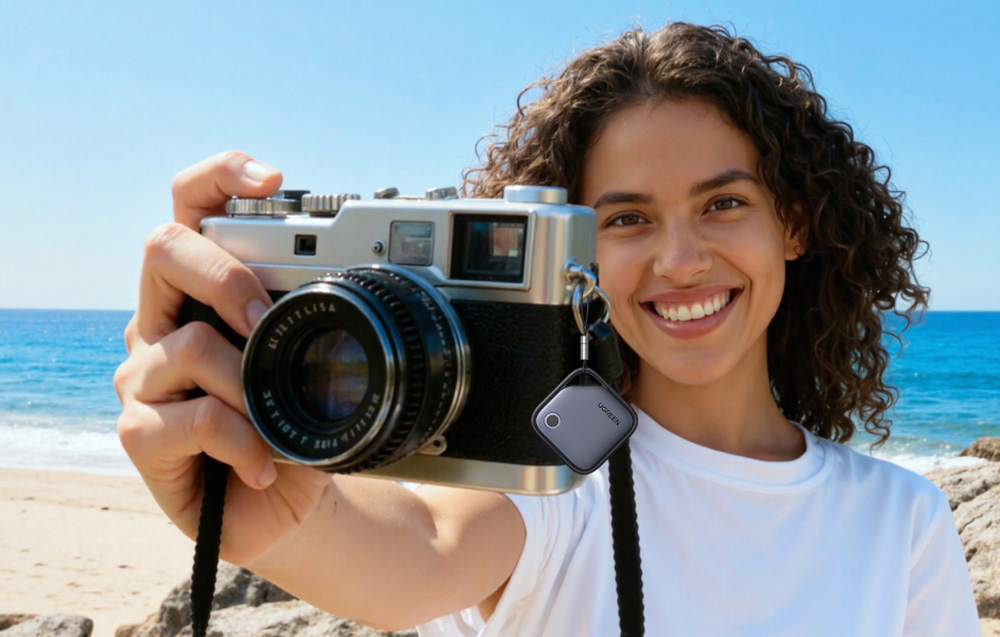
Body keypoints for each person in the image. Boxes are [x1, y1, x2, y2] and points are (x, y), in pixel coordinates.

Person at [114, 22, 981, 635]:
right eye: (627, 219)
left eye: (724, 203)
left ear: (793, 224)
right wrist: (278, 517)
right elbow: (420, 547)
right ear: (569, 251)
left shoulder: (900, 521)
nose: (680, 260)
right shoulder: (550, 463)